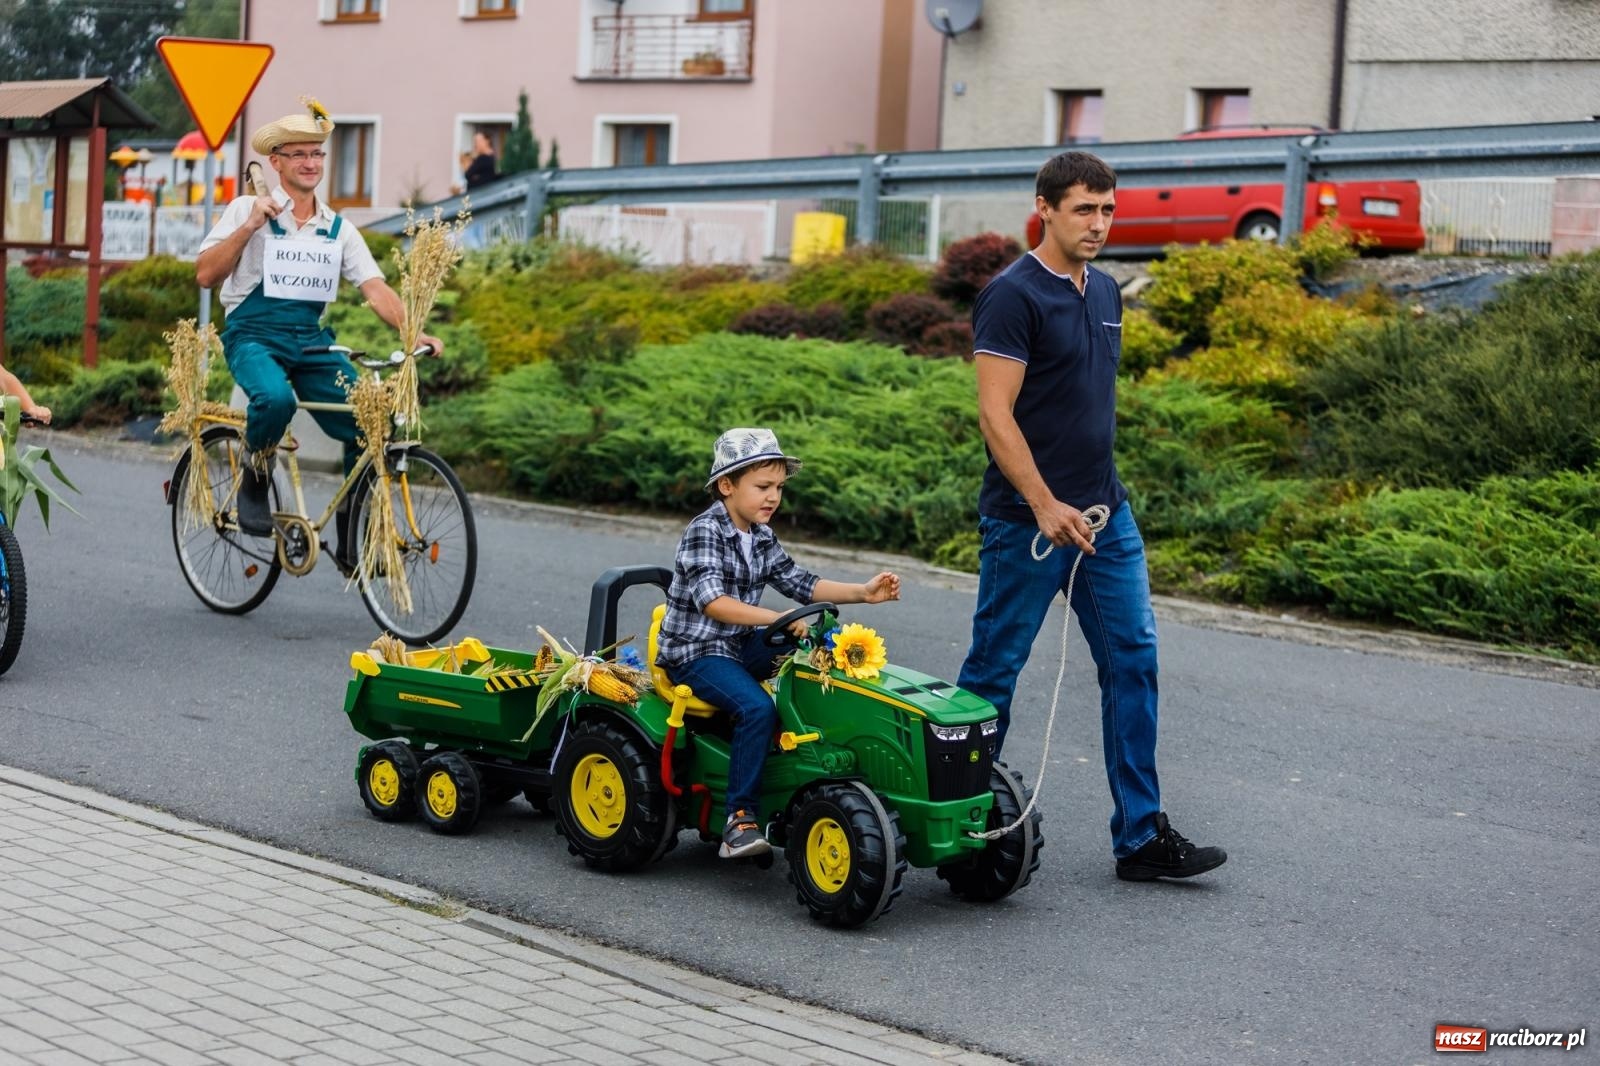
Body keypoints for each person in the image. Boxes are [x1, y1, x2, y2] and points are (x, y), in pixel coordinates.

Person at [957, 150, 1227, 882]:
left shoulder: (1106, 290)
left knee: (1133, 662)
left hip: (1108, 520)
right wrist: (1044, 504)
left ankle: (1140, 837)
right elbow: (995, 413)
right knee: (993, 673)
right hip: (1028, 524)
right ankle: (964, 826)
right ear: (1043, 207)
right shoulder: (1013, 295)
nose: (1100, 223)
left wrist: (1091, 498)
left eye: (1108, 210)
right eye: (1084, 209)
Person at [194, 99, 441, 567]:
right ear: (277, 162)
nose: (311, 163)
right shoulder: (249, 207)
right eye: (299, 154)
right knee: (275, 400)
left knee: (370, 423)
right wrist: (250, 226)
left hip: (310, 340)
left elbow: (374, 288)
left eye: (318, 155)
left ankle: (352, 535)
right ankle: (255, 472)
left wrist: (414, 332)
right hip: (252, 336)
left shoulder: (339, 229)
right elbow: (206, 275)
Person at [655, 428, 902, 858]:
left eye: (780, 488)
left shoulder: (761, 535)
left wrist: (863, 592)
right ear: (727, 486)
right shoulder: (705, 532)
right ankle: (739, 820)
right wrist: (777, 618)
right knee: (756, 707)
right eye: (763, 487)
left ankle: (802, 755)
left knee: (814, 657)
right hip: (694, 653)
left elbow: (801, 583)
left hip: (735, 645)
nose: (773, 497)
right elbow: (713, 602)